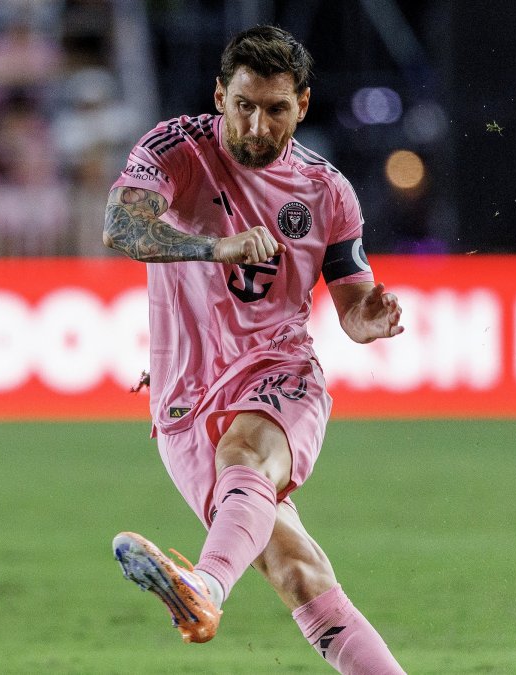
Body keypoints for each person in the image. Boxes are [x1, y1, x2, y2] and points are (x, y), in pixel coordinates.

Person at [104, 26, 407, 674]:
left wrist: (368, 320)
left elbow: (352, 302)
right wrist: (217, 246)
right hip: (183, 399)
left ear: (301, 104)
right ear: (219, 95)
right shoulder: (175, 150)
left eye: (274, 108)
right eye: (243, 104)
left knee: (246, 449)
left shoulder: (327, 192)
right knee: (298, 571)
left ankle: (204, 589)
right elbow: (122, 225)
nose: (256, 123)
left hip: (280, 372)